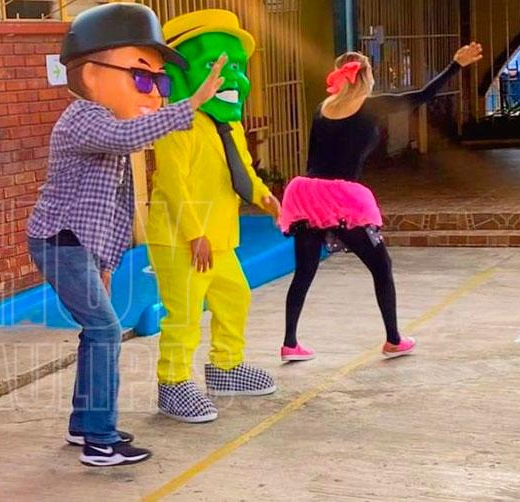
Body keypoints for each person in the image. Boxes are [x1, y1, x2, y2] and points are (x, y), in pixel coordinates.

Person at [25, 3, 226, 466]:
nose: (154, 93)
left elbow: (109, 210)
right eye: (141, 78)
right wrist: (191, 103)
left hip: (78, 244)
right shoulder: (85, 118)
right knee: (105, 330)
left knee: (96, 331)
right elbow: (129, 139)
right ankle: (100, 441)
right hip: (58, 240)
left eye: (161, 83)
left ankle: (84, 425)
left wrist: (106, 263)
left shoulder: (110, 123)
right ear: (92, 75)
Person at [277, 42, 483, 362]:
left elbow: (312, 158)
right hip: (343, 199)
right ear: (367, 76)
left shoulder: (323, 108)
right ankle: (394, 340)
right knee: (381, 266)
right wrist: (455, 65)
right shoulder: (372, 106)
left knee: (304, 272)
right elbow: (422, 96)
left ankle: (290, 343)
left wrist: (313, 205)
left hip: (308, 194)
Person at [148, 10, 281, 424]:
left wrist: (265, 197)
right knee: (185, 315)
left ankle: (225, 367)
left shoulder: (230, 126)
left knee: (235, 297)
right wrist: (194, 234)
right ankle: (173, 383)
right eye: (217, 67)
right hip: (182, 239)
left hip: (221, 236)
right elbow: (173, 184)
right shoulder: (177, 125)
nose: (232, 79)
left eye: (237, 68)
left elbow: (241, 168)